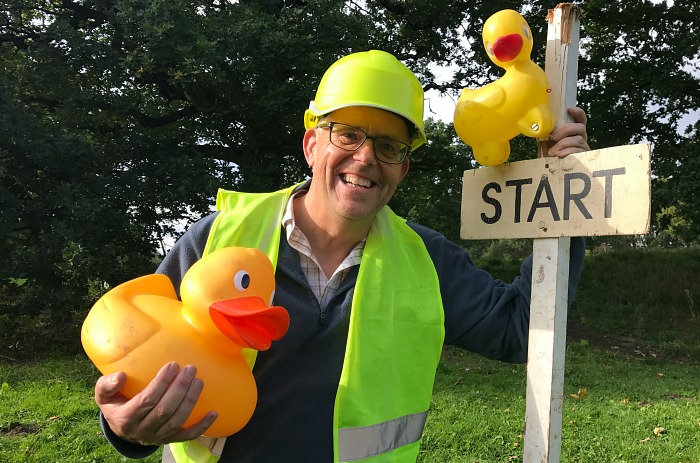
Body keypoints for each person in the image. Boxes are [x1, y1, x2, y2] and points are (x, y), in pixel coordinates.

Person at [93, 50, 590, 463]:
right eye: (348, 134)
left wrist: (566, 207)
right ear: (312, 144)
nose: (366, 157)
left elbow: (522, 331)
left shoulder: (427, 261)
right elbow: (140, 358)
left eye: (389, 145)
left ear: (403, 169)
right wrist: (123, 426)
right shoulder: (219, 238)